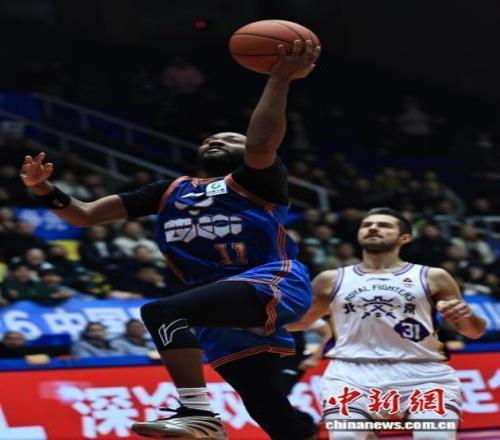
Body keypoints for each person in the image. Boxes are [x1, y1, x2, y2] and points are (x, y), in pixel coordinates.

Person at [20, 39, 321, 440]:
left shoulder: (256, 182)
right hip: (214, 300)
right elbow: (85, 214)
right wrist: (44, 190)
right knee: (268, 407)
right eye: (210, 139)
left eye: (230, 138)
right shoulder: (170, 190)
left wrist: (279, 79)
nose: (215, 140)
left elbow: (261, 143)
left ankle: (197, 412)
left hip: (269, 279)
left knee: (162, 312)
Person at [288, 207, 486, 440]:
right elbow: (298, 323)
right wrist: (258, 311)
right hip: (351, 373)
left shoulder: (433, 276)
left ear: (405, 238)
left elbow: (473, 332)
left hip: (423, 373)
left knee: (434, 437)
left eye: (384, 225)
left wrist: (465, 316)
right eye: (367, 225)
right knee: (346, 437)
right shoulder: (330, 279)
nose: (373, 228)